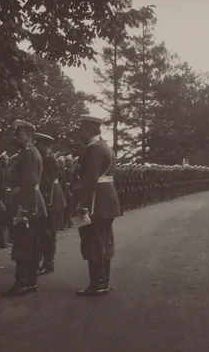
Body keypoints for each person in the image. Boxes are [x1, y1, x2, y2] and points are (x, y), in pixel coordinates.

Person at [72, 115, 121, 297]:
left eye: (83, 129)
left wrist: (83, 206)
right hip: (107, 200)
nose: (80, 132)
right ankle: (103, 281)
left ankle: (97, 284)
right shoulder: (105, 147)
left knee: (93, 242)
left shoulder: (94, 149)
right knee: (104, 241)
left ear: (92, 129)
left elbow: (90, 179)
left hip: (96, 202)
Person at [2, 120, 47, 297]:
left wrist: (23, 210)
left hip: (26, 202)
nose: (16, 137)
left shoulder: (28, 153)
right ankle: (31, 281)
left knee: (23, 243)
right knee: (31, 244)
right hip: (31, 202)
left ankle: (22, 283)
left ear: (28, 136)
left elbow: (29, 181)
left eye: (19, 134)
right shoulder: (29, 152)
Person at [36, 132, 63, 275]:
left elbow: (49, 180)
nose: (37, 146)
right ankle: (47, 261)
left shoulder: (49, 158)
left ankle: (48, 263)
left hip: (51, 198)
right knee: (45, 231)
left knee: (48, 231)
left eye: (39, 144)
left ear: (46, 145)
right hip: (49, 197)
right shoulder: (47, 157)